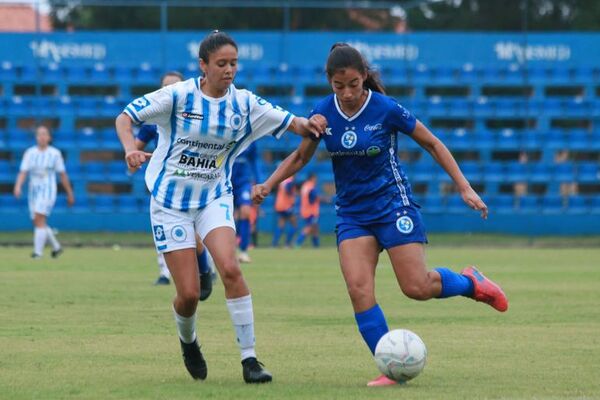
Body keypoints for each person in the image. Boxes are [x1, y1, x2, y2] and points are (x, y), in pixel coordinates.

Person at [253, 43, 508, 387]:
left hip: (392, 205)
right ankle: (390, 367)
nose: (346, 93)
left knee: (416, 287)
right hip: (353, 214)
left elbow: (432, 142)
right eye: (339, 86)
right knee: (359, 290)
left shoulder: (385, 108)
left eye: (354, 85)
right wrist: (268, 184)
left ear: (365, 79)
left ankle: (471, 283)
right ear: (329, 81)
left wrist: (464, 186)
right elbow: (300, 158)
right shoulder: (322, 113)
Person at [114, 30, 326, 383]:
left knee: (231, 268)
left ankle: (250, 360)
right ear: (203, 65)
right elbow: (125, 118)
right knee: (189, 295)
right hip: (170, 203)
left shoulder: (244, 104)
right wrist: (128, 149)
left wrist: (312, 123)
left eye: (234, 63)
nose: (229, 70)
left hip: (214, 197)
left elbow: (293, 123)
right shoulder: (178, 96)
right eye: (222, 63)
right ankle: (189, 340)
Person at [133, 70, 214, 300]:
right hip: (164, 181)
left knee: (195, 234)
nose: (170, 90)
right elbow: (137, 146)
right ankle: (164, 272)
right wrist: (135, 155)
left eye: (174, 85)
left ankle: (205, 269)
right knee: (164, 230)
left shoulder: (196, 114)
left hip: (194, 180)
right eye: (165, 86)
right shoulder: (153, 119)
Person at [13, 125, 75, 258]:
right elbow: (23, 172)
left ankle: (37, 253)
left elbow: (62, 175)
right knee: (38, 221)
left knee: (38, 218)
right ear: (36, 137)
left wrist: (69, 192)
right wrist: (18, 186)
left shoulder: (55, 153)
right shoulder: (30, 153)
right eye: (39, 134)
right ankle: (56, 247)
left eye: (44, 134)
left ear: (49, 137)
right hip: (33, 190)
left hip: (48, 190)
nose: (41, 137)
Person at [231, 141, 260, 263]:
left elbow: (254, 161)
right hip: (225, 179)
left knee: (246, 212)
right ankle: (228, 252)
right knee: (228, 217)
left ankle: (243, 251)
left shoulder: (251, 138)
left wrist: (258, 180)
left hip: (243, 181)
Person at [271, 175, 297, 247]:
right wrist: (293, 194)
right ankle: (287, 243)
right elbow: (288, 190)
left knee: (281, 225)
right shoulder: (290, 181)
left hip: (279, 205)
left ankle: (274, 243)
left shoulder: (284, 179)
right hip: (286, 206)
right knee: (294, 224)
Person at [296, 172, 320, 248]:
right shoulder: (311, 187)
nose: (316, 180)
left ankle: (316, 245)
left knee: (315, 228)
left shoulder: (305, 186)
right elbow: (313, 198)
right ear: (312, 178)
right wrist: (325, 199)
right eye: (315, 178)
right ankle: (297, 243)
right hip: (311, 211)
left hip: (305, 209)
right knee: (309, 227)